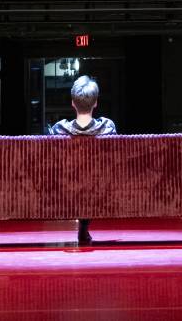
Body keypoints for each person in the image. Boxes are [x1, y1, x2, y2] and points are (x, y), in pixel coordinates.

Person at [47, 75, 116, 245]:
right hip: (101, 189)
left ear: (73, 103)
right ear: (95, 103)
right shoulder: (108, 127)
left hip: (66, 189)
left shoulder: (58, 129)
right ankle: (85, 224)